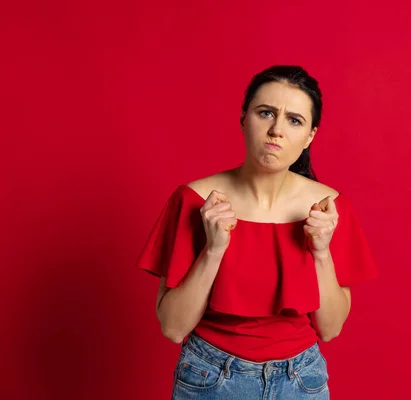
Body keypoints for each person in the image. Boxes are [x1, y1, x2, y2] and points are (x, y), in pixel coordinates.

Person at [136, 65, 378, 399]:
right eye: (266, 113)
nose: (276, 130)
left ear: (310, 136)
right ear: (244, 118)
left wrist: (321, 252)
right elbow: (173, 328)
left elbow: (331, 328)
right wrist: (213, 250)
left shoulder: (328, 209)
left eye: (294, 120)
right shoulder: (195, 200)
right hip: (210, 379)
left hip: (301, 381)